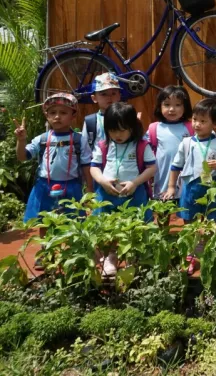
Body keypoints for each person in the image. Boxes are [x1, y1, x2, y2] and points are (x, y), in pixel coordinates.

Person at [166, 98, 216, 274]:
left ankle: (211, 254)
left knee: (212, 223)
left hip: (212, 189)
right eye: (195, 119)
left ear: (215, 122)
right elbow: (175, 166)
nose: (197, 124)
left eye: (203, 121)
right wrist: (172, 187)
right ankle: (191, 255)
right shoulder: (187, 143)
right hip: (190, 187)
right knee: (189, 222)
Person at [90, 102, 157, 275]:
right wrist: (103, 181)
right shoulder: (104, 145)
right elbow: (94, 167)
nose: (117, 135)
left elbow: (152, 168)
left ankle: (133, 258)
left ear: (132, 127)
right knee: (107, 227)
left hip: (134, 195)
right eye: (113, 130)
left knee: (136, 226)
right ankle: (110, 258)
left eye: (122, 130)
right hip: (107, 195)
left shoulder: (142, 145)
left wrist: (135, 183)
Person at [17, 93, 93, 234]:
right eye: (53, 112)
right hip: (44, 187)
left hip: (71, 187)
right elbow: (22, 157)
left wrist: (89, 188)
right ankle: (47, 253)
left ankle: (70, 254)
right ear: (47, 116)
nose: (57, 116)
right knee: (45, 222)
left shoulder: (79, 140)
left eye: (63, 112)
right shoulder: (42, 139)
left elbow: (86, 165)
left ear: (73, 116)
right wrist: (21, 141)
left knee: (73, 224)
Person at [147, 85, 193, 199]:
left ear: (185, 107)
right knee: (163, 214)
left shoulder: (191, 127)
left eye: (177, 105)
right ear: (159, 106)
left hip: (187, 183)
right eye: (167, 105)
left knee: (186, 214)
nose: (172, 109)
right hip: (162, 181)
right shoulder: (154, 128)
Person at [82, 72, 123, 151]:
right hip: (97, 162)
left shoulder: (126, 117)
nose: (109, 97)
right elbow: (85, 149)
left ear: (119, 96)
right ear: (94, 98)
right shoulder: (90, 121)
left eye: (113, 93)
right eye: (104, 94)